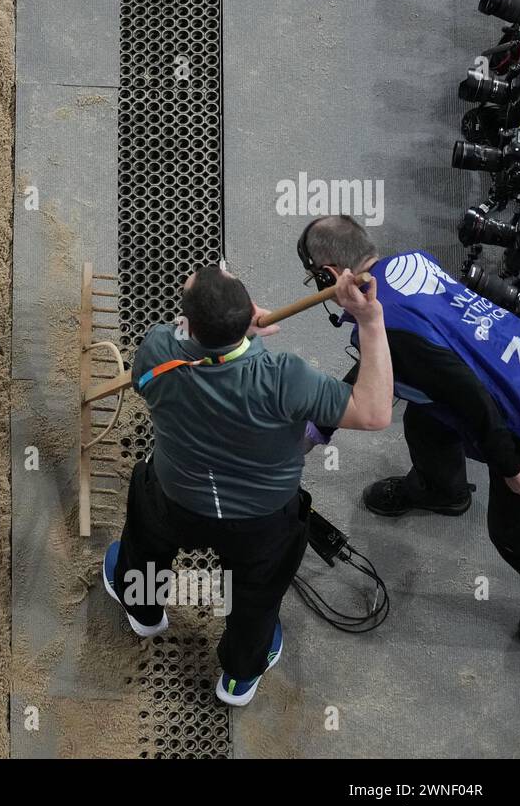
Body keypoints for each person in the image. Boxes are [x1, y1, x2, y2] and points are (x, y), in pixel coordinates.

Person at [101, 264, 392, 705]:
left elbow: (185, 350)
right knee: (256, 596)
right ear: (249, 315)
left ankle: (142, 611)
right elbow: (373, 412)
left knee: (145, 523)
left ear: (190, 326)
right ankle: (239, 676)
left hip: (176, 499)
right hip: (262, 521)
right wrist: (370, 322)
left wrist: (233, 340)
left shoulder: (156, 353)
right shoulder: (286, 378)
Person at [298, 215, 520, 644]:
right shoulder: (413, 262)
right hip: (518, 362)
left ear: (329, 275)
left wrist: (510, 466)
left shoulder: (394, 329)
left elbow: (470, 394)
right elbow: (389, 368)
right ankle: (442, 491)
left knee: (512, 533)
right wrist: (318, 427)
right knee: (425, 415)